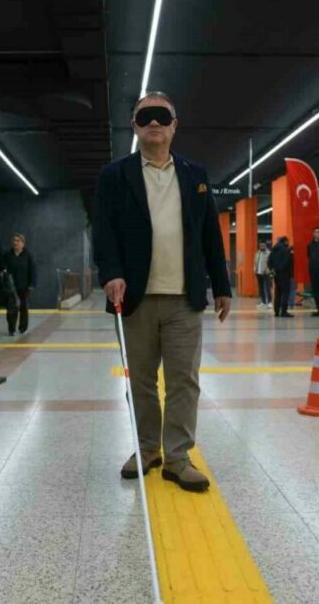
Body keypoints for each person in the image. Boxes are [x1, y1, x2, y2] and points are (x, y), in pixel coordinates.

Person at [93, 91, 232, 493]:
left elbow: (209, 233)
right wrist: (111, 273)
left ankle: (177, 456)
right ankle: (146, 447)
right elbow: (104, 231)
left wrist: (221, 285)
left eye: (162, 116)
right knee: (140, 381)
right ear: (134, 127)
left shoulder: (195, 175)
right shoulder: (115, 175)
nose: (154, 122)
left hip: (184, 298)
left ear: (174, 125)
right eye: (145, 116)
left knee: (183, 380)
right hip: (133, 299)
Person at [1, 233, 36, 335]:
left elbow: (32, 270)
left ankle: (22, 327)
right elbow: (3, 267)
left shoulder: (28, 255)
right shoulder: (7, 255)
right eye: (14, 241)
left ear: (23, 243)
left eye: (18, 241)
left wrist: (31, 284)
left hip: (24, 286)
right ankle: (11, 328)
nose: (15, 243)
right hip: (11, 287)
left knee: (24, 307)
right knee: (11, 308)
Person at [269, 236, 294, 318]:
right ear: (286, 242)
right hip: (285, 274)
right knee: (285, 293)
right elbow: (287, 262)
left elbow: (269, 261)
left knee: (277, 293)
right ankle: (284, 311)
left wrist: (274, 270)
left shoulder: (273, 249)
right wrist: (281, 269)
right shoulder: (285, 250)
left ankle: (276, 311)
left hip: (276, 275)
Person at [254, 241, 272, 309]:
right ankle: (263, 302)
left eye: (263, 245)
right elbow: (255, 262)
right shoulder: (257, 253)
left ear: (266, 246)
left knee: (267, 288)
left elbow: (270, 263)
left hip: (266, 273)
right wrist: (254, 269)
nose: (262, 247)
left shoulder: (269, 253)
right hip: (258, 273)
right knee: (261, 288)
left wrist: (267, 270)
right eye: (261, 245)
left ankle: (269, 302)